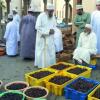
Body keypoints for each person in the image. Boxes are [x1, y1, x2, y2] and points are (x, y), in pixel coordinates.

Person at [35, 3, 56, 68]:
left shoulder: (53, 17)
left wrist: (53, 30)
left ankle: (50, 65)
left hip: (50, 38)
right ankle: (41, 66)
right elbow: (37, 27)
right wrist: (47, 32)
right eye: (50, 11)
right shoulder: (41, 16)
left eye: (52, 11)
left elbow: (55, 26)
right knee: (42, 52)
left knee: (50, 51)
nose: (51, 13)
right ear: (46, 10)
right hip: (42, 37)